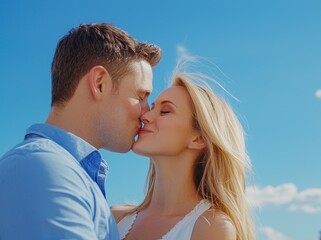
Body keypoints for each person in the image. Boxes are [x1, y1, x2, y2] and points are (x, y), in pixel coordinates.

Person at [0, 23, 161, 239]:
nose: (146, 112)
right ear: (99, 83)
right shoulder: (43, 168)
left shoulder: (67, 172)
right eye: (141, 96)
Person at [112, 66, 255, 240]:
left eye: (165, 111)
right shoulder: (114, 218)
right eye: (152, 108)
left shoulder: (211, 228)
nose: (145, 116)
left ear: (198, 139)